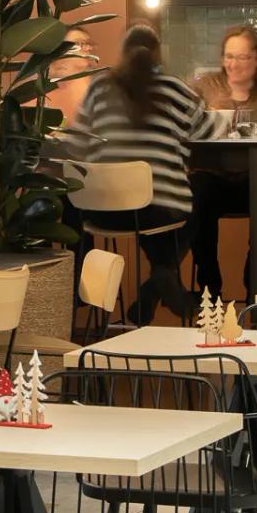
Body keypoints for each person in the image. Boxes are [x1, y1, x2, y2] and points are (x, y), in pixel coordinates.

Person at [68, 24, 216, 322]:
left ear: (122, 54)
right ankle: (161, 280)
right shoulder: (174, 89)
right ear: (158, 54)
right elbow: (207, 131)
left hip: (100, 211)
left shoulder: (98, 87)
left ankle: (152, 293)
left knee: (149, 212)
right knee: (199, 197)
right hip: (157, 212)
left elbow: (77, 141)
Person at [188, 25, 257, 299]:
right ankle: (210, 288)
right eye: (229, 56)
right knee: (197, 194)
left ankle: (254, 285)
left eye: (242, 57)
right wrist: (206, 120)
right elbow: (183, 123)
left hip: (256, 180)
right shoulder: (205, 86)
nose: (234, 64)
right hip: (212, 177)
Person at [46, 25, 98, 128]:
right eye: (79, 43)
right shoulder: (42, 85)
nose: (88, 48)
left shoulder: (95, 85)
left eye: (88, 43)